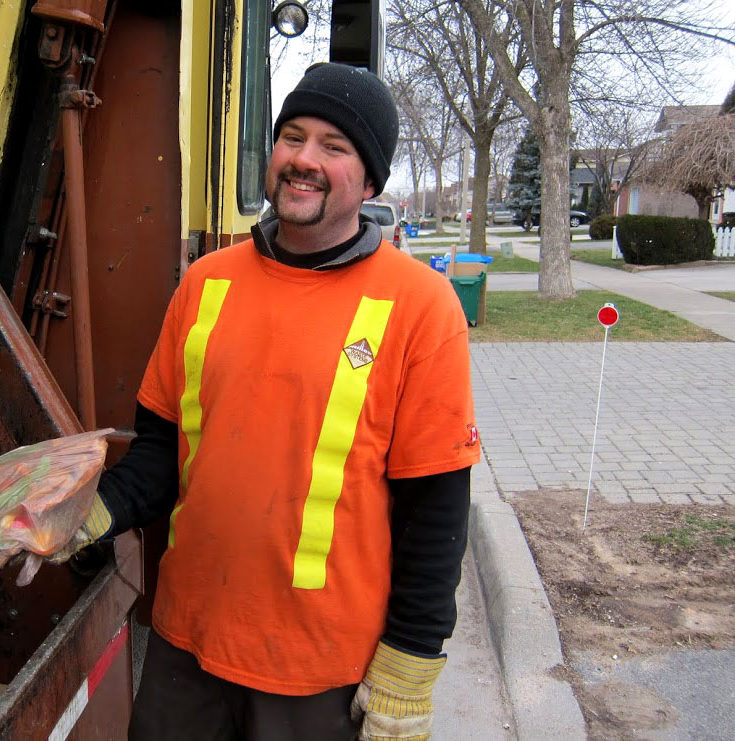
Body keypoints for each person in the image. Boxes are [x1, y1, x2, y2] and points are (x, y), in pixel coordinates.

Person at [74, 62, 480, 740]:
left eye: (334, 146)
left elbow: (436, 510)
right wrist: (86, 515)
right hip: (186, 649)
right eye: (293, 137)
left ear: (371, 180)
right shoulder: (206, 284)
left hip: (319, 676)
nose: (304, 160)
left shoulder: (419, 307)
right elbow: (158, 456)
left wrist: (411, 661)